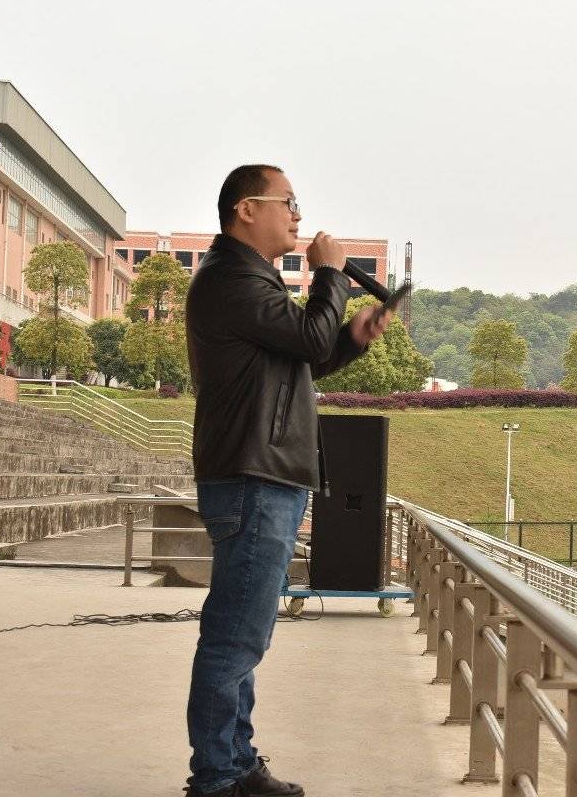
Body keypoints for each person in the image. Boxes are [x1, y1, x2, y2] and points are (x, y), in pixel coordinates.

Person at [182, 164, 390, 796]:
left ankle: (234, 761)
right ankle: (218, 775)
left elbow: (305, 355)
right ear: (247, 210)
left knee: (245, 632)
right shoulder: (231, 279)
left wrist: (350, 337)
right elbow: (306, 337)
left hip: (263, 472)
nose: (298, 215)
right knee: (236, 635)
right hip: (253, 475)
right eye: (288, 202)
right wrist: (330, 275)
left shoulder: (250, 281)